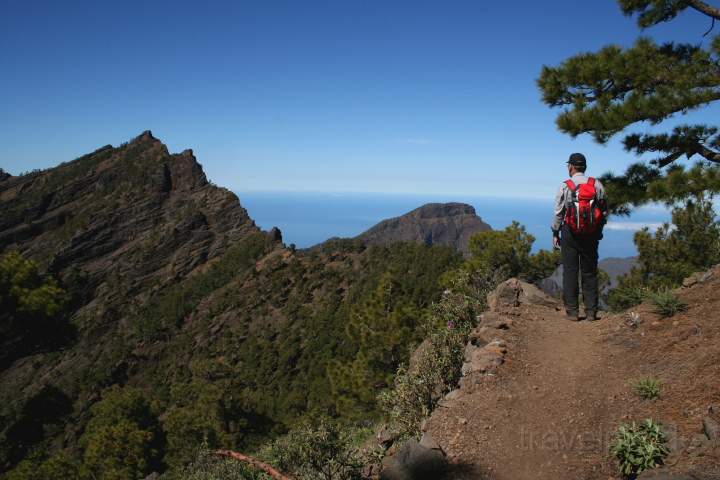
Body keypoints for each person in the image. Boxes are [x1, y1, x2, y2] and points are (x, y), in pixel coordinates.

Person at [552, 153, 608, 321]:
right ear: (584, 167)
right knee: (589, 271)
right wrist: (598, 230)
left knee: (570, 271)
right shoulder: (596, 184)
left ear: (571, 166)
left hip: (569, 232)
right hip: (590, 234)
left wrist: (555, 233)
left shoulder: (565, 186)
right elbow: (604, 211)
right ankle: (591, 311)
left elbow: (558, 213)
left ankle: (573, 311)